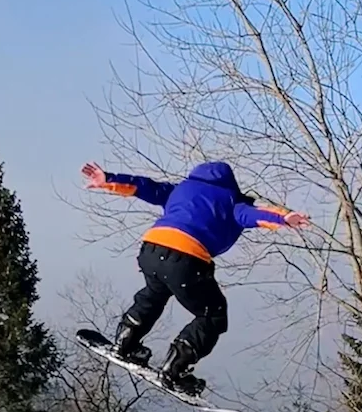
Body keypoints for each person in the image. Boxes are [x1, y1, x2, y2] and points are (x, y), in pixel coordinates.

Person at [81, 159, 309, 394]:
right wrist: (284, 217)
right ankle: (175, 369)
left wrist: (108, 179)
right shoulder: (232, 202)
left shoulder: (180, 190)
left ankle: (125, 341)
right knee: (213, 314)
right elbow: (254, 214)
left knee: (154, 294)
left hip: (151, 248)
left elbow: (145, 186)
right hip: (186, 258)